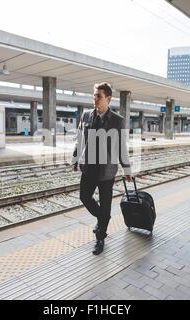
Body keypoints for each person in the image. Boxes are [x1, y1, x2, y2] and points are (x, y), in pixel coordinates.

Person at [71, 82, 133, 255]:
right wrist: (75, 158)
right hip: (88, 168)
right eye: (94, 95)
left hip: (107, 171)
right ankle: (103, 218)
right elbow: (80, 140)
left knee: (105, 205)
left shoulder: (118, 121)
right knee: (84, 197)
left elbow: (121, 148)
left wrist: (127, 170)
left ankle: (100, 238)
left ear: (108, 99)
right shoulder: (86, 115)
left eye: (98, 96)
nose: (95, 98)